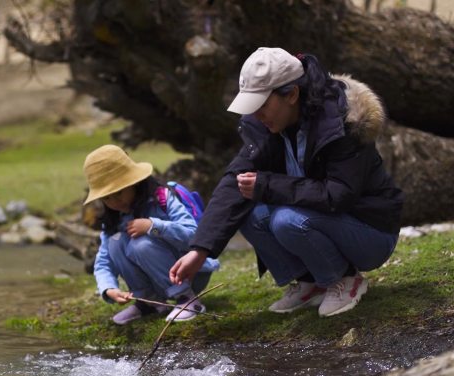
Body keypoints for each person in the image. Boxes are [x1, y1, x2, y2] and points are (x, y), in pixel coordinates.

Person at [170, 47, 403, 317]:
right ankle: (310, 282)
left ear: (291, 94)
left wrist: (267, 185)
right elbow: (234, 182)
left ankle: (346, 279)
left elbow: (338, 195)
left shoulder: (342, 122)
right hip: (319, 221)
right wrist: (201, 250)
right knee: (247, 213)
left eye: (262, 105)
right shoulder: (267, 126)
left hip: (370, 232)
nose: (255, 114)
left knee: (286, 220)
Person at [83, 144, 220, 325]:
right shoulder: (113, 220)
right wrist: (108, 288)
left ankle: (187, 299)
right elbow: (103, 262)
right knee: (115, 242)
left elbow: (193, 236)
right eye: (107, 198)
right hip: (156, 280)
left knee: (141, 244)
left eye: (119, 193)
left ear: (133, 183)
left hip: (191, 272)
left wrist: (154, 226)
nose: (115, 202)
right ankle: (149, 302)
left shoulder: (163, 198)